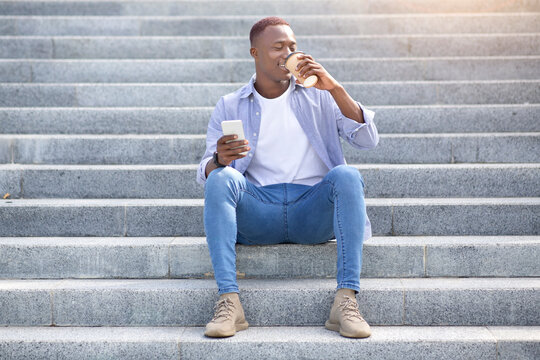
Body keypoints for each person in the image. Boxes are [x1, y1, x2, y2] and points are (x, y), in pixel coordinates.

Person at [196, 16, 379, 339]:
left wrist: (335, 88)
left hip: (312, 210)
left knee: (347, 176)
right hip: (259, 211)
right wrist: (218, 160)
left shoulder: (321, 95)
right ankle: (229, 301)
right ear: (255, 53)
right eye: (277, 47)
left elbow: (367, 140)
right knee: (220, 179)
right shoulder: (230, 104)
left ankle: (346, 301)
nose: (288, 53)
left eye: (292, 46)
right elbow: (205, 173)